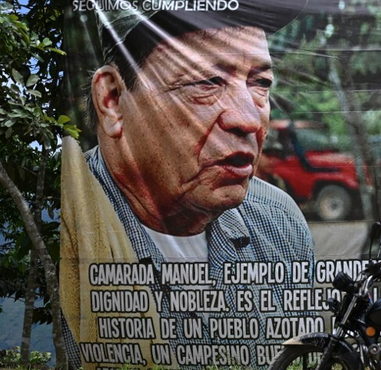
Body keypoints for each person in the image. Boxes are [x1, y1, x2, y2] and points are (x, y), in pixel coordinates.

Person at [59, 2, 313, 369]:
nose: (248, 118)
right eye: (206, 81)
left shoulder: (279, 223)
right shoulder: (57, 223)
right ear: (113, 100)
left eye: (260, 83)